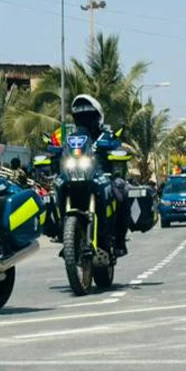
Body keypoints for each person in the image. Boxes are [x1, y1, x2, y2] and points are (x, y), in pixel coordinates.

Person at [66, 94, 131, 257]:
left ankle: (120, 241)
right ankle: (65, 236)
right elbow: (61, 151)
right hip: (75, 175)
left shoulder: (106, 136)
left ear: (98, 117)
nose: (85, 120)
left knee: (122, 194)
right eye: (81, 117)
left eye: (89, 116)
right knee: (54, 193)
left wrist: (115, 150)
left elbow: (117, 147)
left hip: (103, 175)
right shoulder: (72, 139)